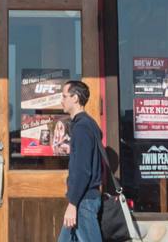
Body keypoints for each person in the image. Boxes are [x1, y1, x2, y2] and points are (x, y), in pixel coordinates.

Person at [59, 80, 104, 242]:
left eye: (64, 96)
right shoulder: (89, 125)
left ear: (75, 98)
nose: (61, 100)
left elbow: (83, 170)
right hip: (83, 199)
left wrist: (73, 204)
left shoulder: (82, 127)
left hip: (84, 201)